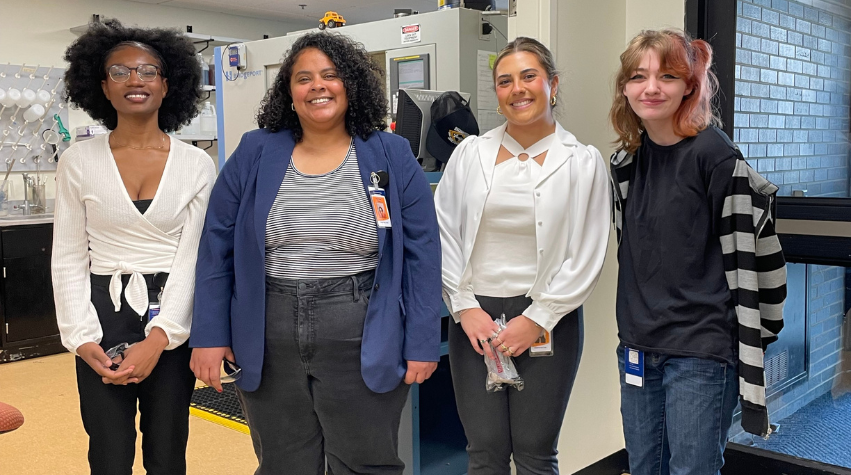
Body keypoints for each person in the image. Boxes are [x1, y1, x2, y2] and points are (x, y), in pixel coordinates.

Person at [189, 32, 442, 475]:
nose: (317, 86)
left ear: (351, 84)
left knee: (367, 462)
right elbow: (217, 245)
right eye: (303, 78)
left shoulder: (391, 152)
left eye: (330, 75)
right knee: (284, 462)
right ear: (289, 92)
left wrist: (422, 340)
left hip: (362, 323)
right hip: (268, 327)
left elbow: (423, 251)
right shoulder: (255, 151)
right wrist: (209, 334)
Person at [609, 29, 787, 475]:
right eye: (638, 76)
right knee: (644, 467)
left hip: (699, 352)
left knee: (693, 470)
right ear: (625, 88)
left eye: (667, 76)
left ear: (690, 85)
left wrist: (755, 339)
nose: (650, 88)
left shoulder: (716, 157)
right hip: (637, 346)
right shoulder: (627, 161)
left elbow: (756, 260)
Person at [434, 37, 610, 474]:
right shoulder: (470, 155)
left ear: (551, 84)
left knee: (535, 452)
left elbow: (588, 250)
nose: (518, 89)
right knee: (485, 451)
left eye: (529, 77)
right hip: (474, 319)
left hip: (549, 320)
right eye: (504, 81)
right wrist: (463, 306)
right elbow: (443, 234)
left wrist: (538, 318)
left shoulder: (583, 162)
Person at [53, 19, 215, 475]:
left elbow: (192, 259)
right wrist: (83, 340)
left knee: (167, 450)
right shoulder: (78, 161)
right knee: (108, 449)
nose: (135, 80)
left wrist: (160, 338)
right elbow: (67, 258)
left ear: (168, 84)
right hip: (100, 313)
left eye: (147, 70)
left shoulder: (197, 164)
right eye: (119, 71)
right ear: (101, 86)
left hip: (171, 314)